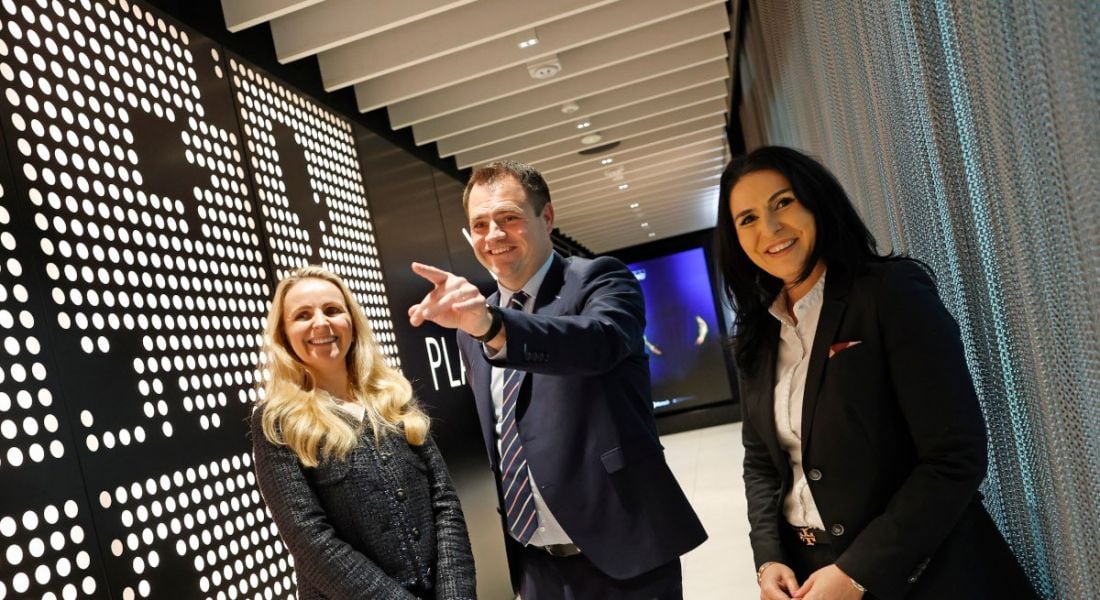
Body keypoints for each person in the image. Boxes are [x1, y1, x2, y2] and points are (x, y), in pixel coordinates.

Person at [714, 146, 1038, 600]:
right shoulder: (758, 335)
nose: (769, 229)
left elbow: (954, 457)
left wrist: (857, 572)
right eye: (746, 219)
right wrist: (769, 558)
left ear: (816, 202)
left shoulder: (888, 293)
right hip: (811, 575)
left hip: (924, 573)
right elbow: (762, 463)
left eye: (783, 202)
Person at [407, 161, 707, 599]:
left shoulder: (599, 281)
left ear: (546, 218)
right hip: (535, 567)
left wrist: (493, 326)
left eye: (509, 218)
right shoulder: (472, 329)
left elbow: (597, 343)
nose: (493, 235)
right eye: (480, 224)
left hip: (623, 555)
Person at [250, 265, 476, 600]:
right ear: (283, 335)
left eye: (332, 310)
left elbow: (444, 502)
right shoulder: (277, 421)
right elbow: (310, 540)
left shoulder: (393, 398)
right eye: (302, 315)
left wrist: (457, 594)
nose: (321, 323)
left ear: (352, 322)